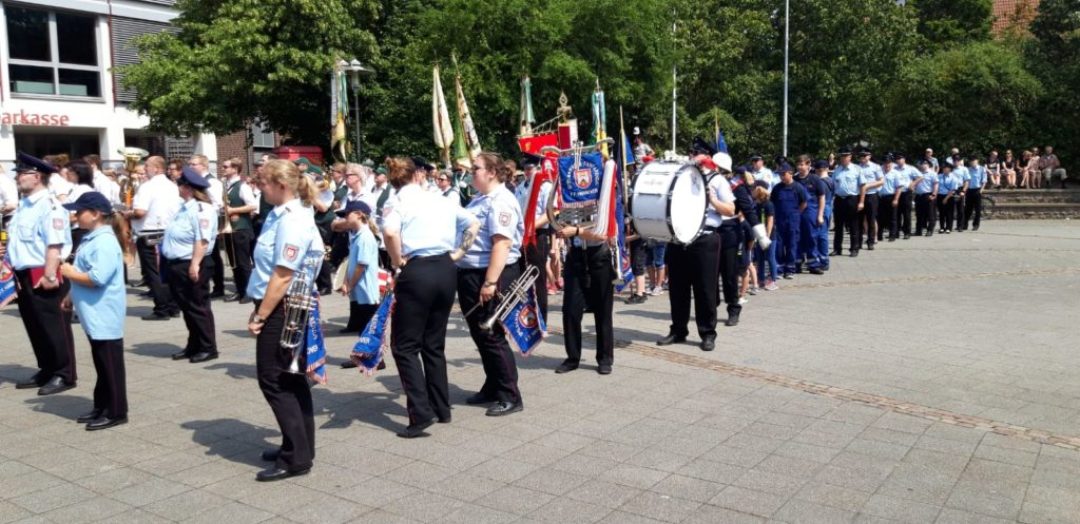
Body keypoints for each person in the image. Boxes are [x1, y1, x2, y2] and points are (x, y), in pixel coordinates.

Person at [382, 157, 478, 437]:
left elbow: (389, 231)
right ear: (417, 176)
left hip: (418, 268)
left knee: (404, 346)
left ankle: (421, 413)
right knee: (433, 344)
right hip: (446, 268)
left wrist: (397, 261)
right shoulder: (440, 199)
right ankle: (441, 407)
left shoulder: (397, 201)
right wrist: (459, 254)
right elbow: (472, 222)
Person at [245, 159, 325, 482]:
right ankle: (300, 446)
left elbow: (282, 273)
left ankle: (296, 458)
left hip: (282, 306)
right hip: (284, 303)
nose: (259, 187)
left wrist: (260, 314)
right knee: (290, 378)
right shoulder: (281, 215)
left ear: (281, 185)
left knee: (274, 379)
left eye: (263, 182)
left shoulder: (292, 220)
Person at [457, 152, 525, 416]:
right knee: (480, 334)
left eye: (476, 168)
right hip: (470, 272)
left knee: (492, 335)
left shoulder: (501, 200)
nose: (471, 172)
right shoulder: (480, 198)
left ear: (492, 173)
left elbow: (502, 243)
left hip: (491, 273)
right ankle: (493, 385)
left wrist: (490, 282)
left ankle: (510, 395)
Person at [2, 153, 76, 395]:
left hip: (43, 271)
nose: (18, 178)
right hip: (23, 272)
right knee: (35, 325)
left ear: (37, 176)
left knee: (54, 325)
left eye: (22, 174)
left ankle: (64, 374)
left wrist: (50, 274)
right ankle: (47, 368)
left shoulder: (50, 205)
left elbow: (54, 245)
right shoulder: (25, 205)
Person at [59, 192, 128, 430]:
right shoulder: (92, 238)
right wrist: (70, 294)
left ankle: (116, 410)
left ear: (96, 214)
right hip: (93, 312)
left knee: (110, 364)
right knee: (101, 362)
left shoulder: (105, 242)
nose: (76, 216)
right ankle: (102, 405)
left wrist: (68, 273)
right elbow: (84, 270)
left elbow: (97, 277)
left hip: (104, 313)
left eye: (79, 212)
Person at [657, 154, 730, 351]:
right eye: (692, 156)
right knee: (677, 290)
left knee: (705, 290)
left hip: (705, 239)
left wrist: (711, 198)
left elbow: (731, 210)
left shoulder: (718, 180)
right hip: (679, 238)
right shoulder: (680, 177)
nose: (694, 160)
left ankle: (707, 333)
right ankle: (678, 330)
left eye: (698, 157)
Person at [554, 155, 617, 375]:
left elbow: (603, 234)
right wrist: (562, 228)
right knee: (570, 309)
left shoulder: (604, 200)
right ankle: (572, 357)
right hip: (576, 258)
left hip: (597, 257)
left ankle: (605, 358)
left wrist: (578, 231)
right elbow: (561, 220)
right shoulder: (571, 200)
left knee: (602, 310)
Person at [161, 167, 219, 364]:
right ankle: (194, 344)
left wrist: (195, 264)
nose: (178, 188)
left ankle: (208, 347)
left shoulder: (202, 209)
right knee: (187, 307)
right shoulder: (184, 207)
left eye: (180, 185)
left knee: (198, 307)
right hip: (178, 263)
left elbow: (201, 240)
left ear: (187, 188)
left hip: (193, 262)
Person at [515, 155, 552, 323]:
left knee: (538, 278)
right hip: (523, 235)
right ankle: (525, 313)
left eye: (530, 168)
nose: (527, 172)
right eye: (525, 169)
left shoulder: (545, 187)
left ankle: (541, 317)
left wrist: (531, 226)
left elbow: (550, 214)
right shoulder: (520, 187)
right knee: (522, 277)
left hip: (538, 235)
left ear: (538, 168)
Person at [336, 200, 379, 336]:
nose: (345, 218)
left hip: (366, 289)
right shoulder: (356, 235)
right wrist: (345, 281)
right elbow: (351, 261)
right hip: (358, 287)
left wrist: (349, 284)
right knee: (361, 323)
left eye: (347, 215)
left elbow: (361, 265)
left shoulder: (365, 237)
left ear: (359, 214)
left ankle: (369, 354)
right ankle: (356, 329)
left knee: (368, 333)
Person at [188, 155, 226, 298]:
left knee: (213, 255)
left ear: (204, 165)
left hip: (208, 221)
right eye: (190, 164)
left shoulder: (212, 182)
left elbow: (218, 204)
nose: (191, 167)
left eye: (194, 164)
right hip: (199, 219)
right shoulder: (195, 181)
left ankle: (218, 286)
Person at [221, 158, 258, 304]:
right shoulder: (226, 186)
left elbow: (253, 206)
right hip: (230, 229)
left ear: (235, 169)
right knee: (233, 263)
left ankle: (249, 292)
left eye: (225, 166)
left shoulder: (243, 186)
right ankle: (240, 289)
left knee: (243, 262)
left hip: (241, 228)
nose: (222, 168)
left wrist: (233, 210)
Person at [770, 164, 808, 278]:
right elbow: (772, 203)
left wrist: (796, 213)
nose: (781, 177)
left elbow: (804, 203)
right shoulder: (777, 188)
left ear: (790, 173)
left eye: (783, 174)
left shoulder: (798, 187)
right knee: (779, 245)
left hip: (793, 220)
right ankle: (780, 269)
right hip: (780, 220)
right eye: (780, 175)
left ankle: (790, 269)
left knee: (792, 244)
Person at [794, 155, 826, 274]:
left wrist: (820, 215)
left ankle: (813, 263)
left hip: (811, 212)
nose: (800, 167)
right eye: (798, 164)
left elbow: (821, 197)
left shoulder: (815, 179)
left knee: (811, 237)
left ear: (808, 165)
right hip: (797, 213)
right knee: (797, 238)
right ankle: (797, 262)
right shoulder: (794, 180)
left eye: (802, 164)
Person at [831, 148, 863, 257]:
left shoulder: (856, 169)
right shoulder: (837, 170)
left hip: (852, 198)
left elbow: (863, 186)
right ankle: (837, 248)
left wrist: (861, 202)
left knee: (853, 225)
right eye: (842, 156)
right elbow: (833, 186)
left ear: (850, 157)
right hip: (839, 199)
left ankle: (854, 248)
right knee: (838, 225)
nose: (843, 158)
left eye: (846, 156)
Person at [752, 182, 779, 290]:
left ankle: (773, 280)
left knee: (770, 258)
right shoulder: (757, 204)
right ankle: (761, 279)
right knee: (760, 258)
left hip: (768, 236)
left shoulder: (768, 204)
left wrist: (766, 237)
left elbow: (770, 222)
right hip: (759, 234)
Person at [856, 150, 883, 251]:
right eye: (861, 155)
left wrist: (868, 186)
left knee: (871, 219)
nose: (862, 157)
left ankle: (870, 241)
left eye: (864, 155)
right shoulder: (856, 167)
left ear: (869, 156)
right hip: (859, 195)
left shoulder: (875, 167)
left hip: (871, 195)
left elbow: (881, 181)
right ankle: (858, 242)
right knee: (859, 220)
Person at [814, 160, 835, 270]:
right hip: (828, 207)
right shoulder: (831, 180)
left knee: (820, 235)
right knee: (823, 235)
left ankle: (822, 260)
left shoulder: (820, 182)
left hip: (821, 208)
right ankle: (823, 259)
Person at [879, 156, 903, 242]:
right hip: (880, 197)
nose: (887, 164)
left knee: (892, 217)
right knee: (880, 217)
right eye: (885, 163)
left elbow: (899, 187)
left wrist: (896, 199)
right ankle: (879, 235)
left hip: (891, 197)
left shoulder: (895, 173)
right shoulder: (879, 172)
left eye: (888, 163)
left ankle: (892, 235)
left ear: (891, 163)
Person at [912, 159, 938, 236]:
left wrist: (933, 194)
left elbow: (936, 184)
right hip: (919, 195)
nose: (923, 165)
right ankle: (918, 230)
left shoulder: (932, 173)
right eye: (921, 163)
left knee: (930, 214)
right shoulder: (917, 174)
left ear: (928, 165)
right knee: (919, 214)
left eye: (924, 163)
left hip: (928, 195)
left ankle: (930, 230)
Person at [893, 154, 916, 240]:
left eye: (900, 158)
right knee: (896, 213)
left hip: (906, 192)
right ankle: (896, 232)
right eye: (897, 159)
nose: (898, 160)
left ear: (904, 159)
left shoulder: (910, 168)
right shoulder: (894, 169)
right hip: (896, 193)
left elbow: (920, 176)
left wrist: (913, 183)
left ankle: (907, 232)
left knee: (906, 214)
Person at [963, 156, 986, 231]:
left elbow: (984, 180)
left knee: (977, 209)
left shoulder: (982, 169)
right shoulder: (968, 169)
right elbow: (965, 179)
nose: (972, 162)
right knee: (967, 209)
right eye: (971, 161)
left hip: (977, 190)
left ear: (977, 161)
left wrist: (981, 190)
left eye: (974, 161)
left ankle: (976, 225)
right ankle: (964, 224)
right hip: (969, 190)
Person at [936, 163, 959, 234]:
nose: (945, 169)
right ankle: (942, 227)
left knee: (949, 213)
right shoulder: (939, 176)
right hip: (940, 196)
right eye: (943, 168)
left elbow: (953, 190)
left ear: (950, 169)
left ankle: (948, 227)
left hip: (949, 196)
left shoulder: (953, 177)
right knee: (941, 213)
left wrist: (946, 199)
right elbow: (936, 186)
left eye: (946, 168)